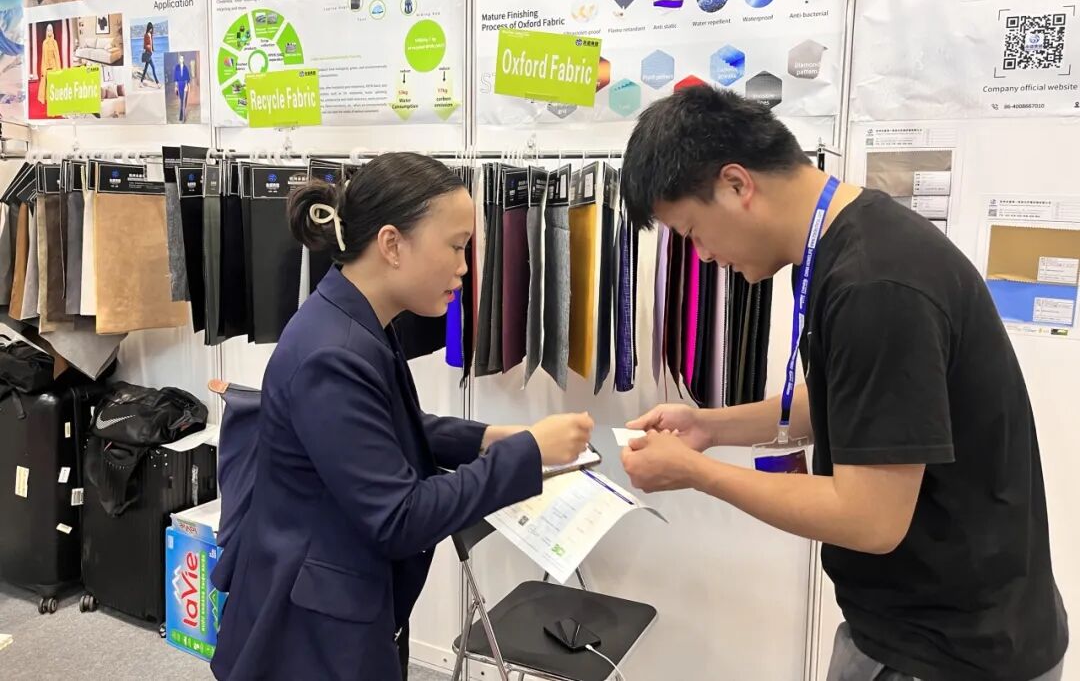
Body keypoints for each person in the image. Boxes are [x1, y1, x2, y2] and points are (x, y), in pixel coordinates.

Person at [618, 86, 1068, 681]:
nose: (701, 257)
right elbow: (852, 402)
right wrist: (708, 426)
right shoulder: (847, 246)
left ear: (736, 184)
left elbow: (870, 519)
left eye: (693, 232)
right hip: (923, 626)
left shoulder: (875, 284)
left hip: (948, 652)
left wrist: (695, 473)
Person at [211, 152, 594, 681]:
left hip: (339, 595)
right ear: (392, 244)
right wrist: (526, 453)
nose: (464, 267)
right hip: (309, 632)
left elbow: (383, 428)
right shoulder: (333, 352)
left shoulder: (354, 319)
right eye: (456, 247)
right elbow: (398, 517)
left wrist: (490, 437)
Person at [38, 23, 60, 105]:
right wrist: (43, 68)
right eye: (48, 30)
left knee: (54, 81)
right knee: (45, 81)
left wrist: (58, 68)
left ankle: (54, 97)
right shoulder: (44, 43)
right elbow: (43, 57)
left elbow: (57, 56)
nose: (49, 32)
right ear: (46, 31)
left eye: (50, 30)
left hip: (54, 65)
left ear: (52, 31)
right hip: (46, 65)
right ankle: (44, 98)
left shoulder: (55, 42)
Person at [173, 54, 190, 122]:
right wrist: (176, 87)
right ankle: (181, 113)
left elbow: (187, 78)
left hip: (184, 84)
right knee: (180, 100)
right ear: (179, 60)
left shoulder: (185, 68)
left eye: (182, 58)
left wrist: (186, 86)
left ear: (183, 60)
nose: (181, 60)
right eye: (180, 58)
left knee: (184, 100)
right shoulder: (176, 67)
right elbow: (175, 78)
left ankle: (183, 116)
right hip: (179, 84)